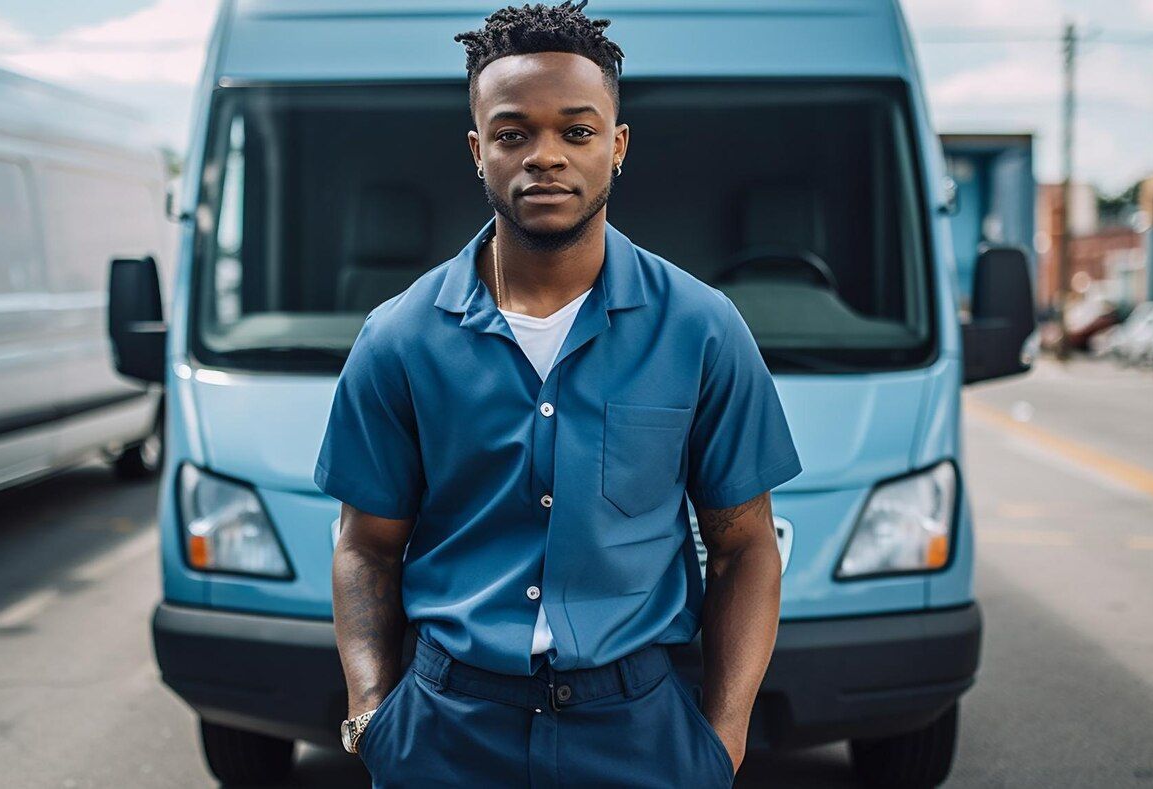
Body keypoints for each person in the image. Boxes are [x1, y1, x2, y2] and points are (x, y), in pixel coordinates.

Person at [315, 2, 802, 785]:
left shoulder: (703, 329)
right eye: (514, 133)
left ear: (617, 146)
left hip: (639, 729)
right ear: (479, 151)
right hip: (446, 731)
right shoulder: (398, 336)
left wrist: (722, 740)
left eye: (576, 131)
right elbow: (365, 546)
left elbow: (745, 547)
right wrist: (373, 714)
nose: (545, 156)